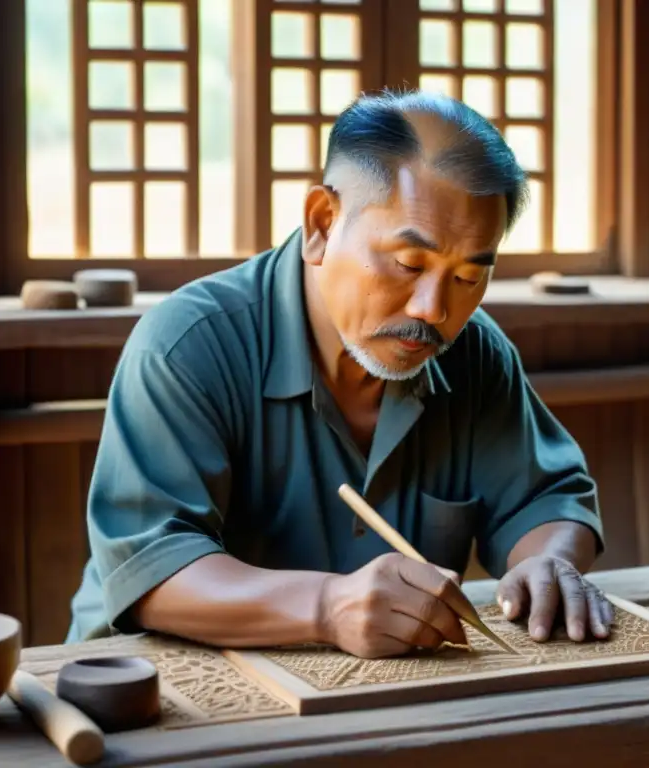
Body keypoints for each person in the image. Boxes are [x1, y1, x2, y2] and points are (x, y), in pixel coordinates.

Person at [66, 90, 610, 658]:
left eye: (469, 276)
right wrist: (327, 607)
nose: (433, 309)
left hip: (374, 689)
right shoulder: (188, 344)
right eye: (409, 264)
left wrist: (548, 562)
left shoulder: (473, 353)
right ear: (323, 223)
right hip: (154, 680)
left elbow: (547, 500)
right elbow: (150, 568)